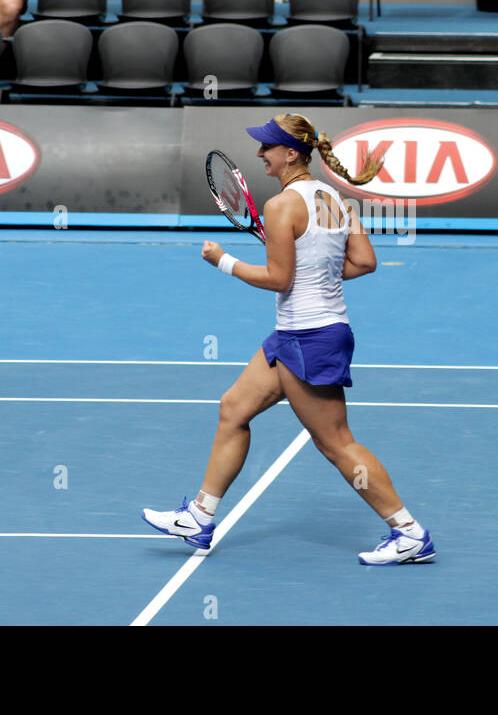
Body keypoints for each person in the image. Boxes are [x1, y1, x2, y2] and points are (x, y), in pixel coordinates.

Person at [141, 114, 436, 566]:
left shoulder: (282, 205)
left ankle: (409, 533)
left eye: (267, 147)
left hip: (310, 336)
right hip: (298, 334)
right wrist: (315, 269)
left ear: (291, 153)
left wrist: (223, 261)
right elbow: (364, 262)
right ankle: (199, 516)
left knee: (337, 443)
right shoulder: (335, 200)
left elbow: (279, 279)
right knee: (233, 409)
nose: (260, 154)